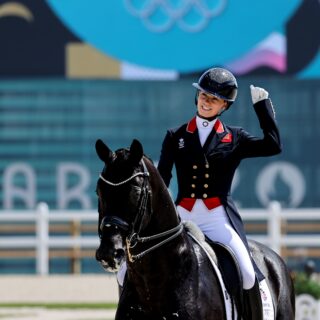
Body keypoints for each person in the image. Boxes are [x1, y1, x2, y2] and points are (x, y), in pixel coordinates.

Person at [157, 67, 281, 319]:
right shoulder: (176, 136)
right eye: (204, 95)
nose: (206, 102)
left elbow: (273, 145)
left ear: (224, 106)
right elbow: (163, 179)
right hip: (182, 216)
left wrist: (263, 108)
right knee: (133, 266)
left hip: (217, 218)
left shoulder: (234, 137)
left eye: (213, 99)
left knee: (247, 274)